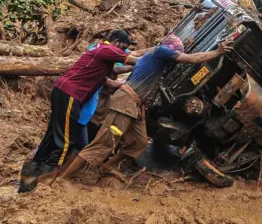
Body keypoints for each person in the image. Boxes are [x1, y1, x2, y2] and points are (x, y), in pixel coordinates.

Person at [58, 34, 233, 183]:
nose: (177, 55)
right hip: (126, 103)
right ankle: (64, 179)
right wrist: (218, 52)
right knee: (102, 144)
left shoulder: (154, 55)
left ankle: (106, 167)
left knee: (140, 143)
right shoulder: (161, 52)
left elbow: (137, 55)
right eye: (176, 51)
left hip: (135, 105)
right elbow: (192, 59)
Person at [18, 29, 148, 193]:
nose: (122, 52)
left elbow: (115, 71)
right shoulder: (107, 49)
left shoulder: (99, 53)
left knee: (55, 136)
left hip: (63, 91)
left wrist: (124, 83)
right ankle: (46, 183)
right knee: (64, 140)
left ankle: (28, 180)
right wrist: (153, 60)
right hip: (71, 94)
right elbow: (135, 60)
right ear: (115, 43)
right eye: (122, 48)